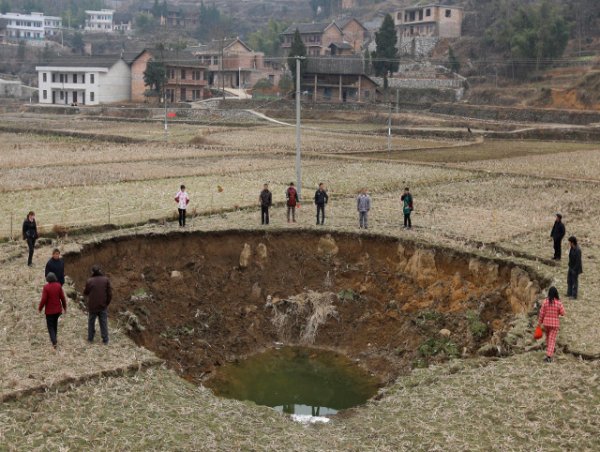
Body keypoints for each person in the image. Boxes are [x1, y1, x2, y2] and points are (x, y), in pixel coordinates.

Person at [84, 265, 112, 344]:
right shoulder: (106, 280)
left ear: (92, 272)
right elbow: (110, 294)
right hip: (102, 305)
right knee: (103, 322)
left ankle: (90, 339)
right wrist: (106, 303)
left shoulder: (89, 281)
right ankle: (105, 340)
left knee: (91, 322)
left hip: (92, 306)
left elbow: (86, 292)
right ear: (100, 270)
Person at [38, 272, 67, 349]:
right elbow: (63, 298)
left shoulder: (46, 287)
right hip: (58, 310)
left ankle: (54, 342)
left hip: (49, 311)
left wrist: (40, 308)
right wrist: (64, 307)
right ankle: (55, 339)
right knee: (55, 325)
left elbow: (44, 299)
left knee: (50, 326)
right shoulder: (58, 286)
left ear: (47, 279)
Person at [537, 286, 565, 363]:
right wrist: (557, 312)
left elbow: (541, 313)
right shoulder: (559, 302)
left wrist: (539, 323)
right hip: (555, 324)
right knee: (552, 340)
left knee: (548, 339)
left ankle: (549, 351)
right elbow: (563, 313)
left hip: (546, 324)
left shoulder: (545, 302)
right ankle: (549, 356)